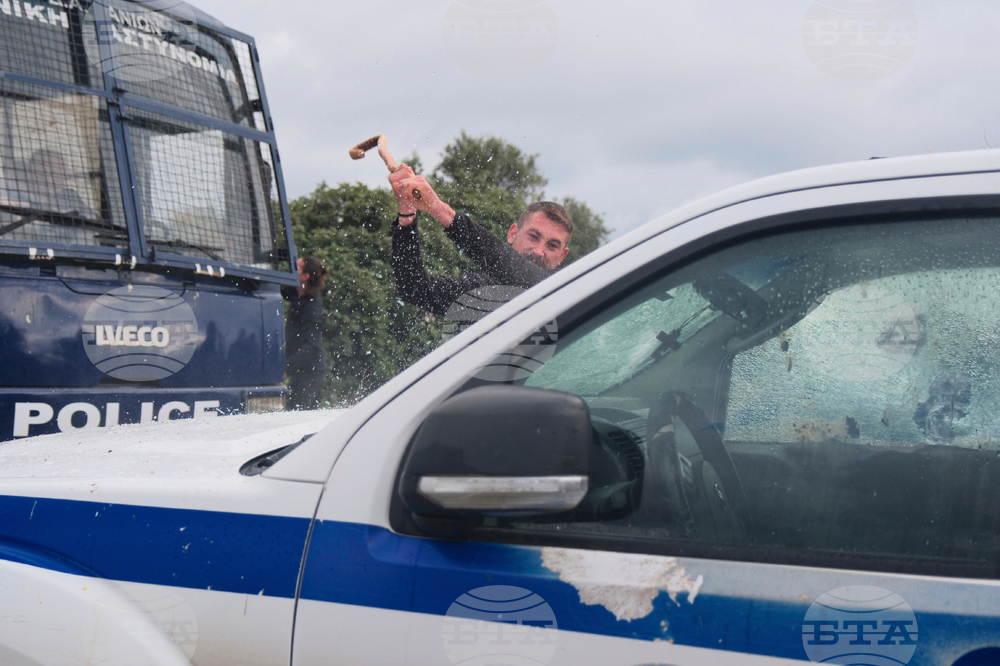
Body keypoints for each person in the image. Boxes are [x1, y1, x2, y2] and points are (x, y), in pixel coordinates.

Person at [389, 164, 573, 317]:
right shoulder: (480, 292)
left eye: (552, 246)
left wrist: (441, 210)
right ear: (512, 234)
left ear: (562, 256)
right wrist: (407, 216)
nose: (539, 251)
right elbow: (415, 290)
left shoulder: (567, 292)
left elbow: (524, 275)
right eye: (533, 237)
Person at [282, 256, 329, 410]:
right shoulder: (298, 293)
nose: (292, 271)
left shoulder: (312, 307)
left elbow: (311, 347)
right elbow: (278, 289)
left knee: (298, 413)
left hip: (311, 370)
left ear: (305, 276)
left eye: (296, 268)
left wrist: (286, 367)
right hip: (300, 367)